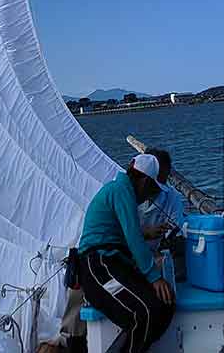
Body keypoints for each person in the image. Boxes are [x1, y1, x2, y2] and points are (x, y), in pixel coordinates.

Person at [76, 153, 175, 353]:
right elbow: (132, 238)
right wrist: (154, 277)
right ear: (145, 182)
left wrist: (146, 234)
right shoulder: (122, 191)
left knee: (165, 305)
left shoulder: (121, 190)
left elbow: (120, 233)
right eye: (153, 190)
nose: (151, 197)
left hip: (113, 264)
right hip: (98, 267)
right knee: (145, 313)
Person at [139, 149, 186, 287]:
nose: (159, 187)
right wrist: (146, 234)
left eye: (163, 180)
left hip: (156, 257)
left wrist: (169, 239)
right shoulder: (124, 195)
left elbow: (175, 229)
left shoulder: (172, 196)